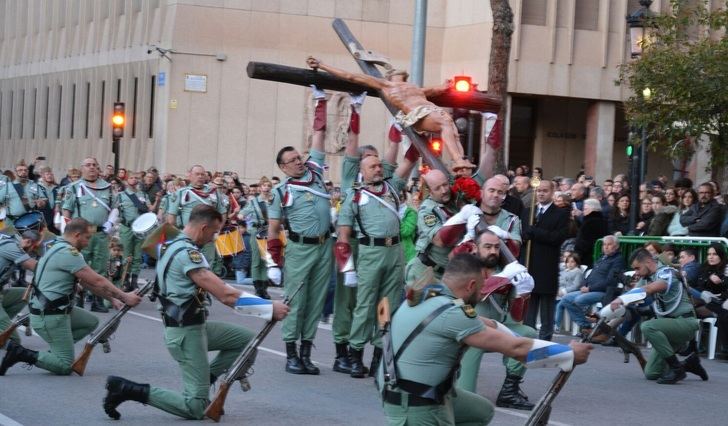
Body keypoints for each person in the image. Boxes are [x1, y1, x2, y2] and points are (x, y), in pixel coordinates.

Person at [101, 205, 289, 420]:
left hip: (194, 327)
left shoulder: (171, 246)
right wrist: (269, 308)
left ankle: (204, 380)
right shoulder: (187, 254)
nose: (213, 238)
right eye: (213, 232)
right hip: (185, 334)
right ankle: (126, 389)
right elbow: (226, 295)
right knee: (196, 408)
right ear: (203, 227)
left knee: (246, 341)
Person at [378, 254, 592, 425]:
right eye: (482, 288)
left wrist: (498, 327)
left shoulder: (431, 296)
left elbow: (487, 324)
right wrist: (569, 354)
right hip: (416, 403)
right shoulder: (452, 313)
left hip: (410, 390)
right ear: (471, 285)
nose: (483, 294)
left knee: (480, 412)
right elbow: (516, 348)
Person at [0, 218, 142, 376]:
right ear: (77, 235)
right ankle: (20, 354)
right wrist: (125, 296)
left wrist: (113, 299)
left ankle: (53, 355)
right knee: (65, 365)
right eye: (87, 238)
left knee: (90, 322)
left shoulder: (58, 247)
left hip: (54, 311)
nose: (88, 243)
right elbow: (97, 279)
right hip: (50, 314)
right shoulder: (68, 253)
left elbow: (88, 283)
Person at [306, 56, 474, 171]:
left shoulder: (416, 88)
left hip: (431, 110)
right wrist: (322, 65)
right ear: (390, 75)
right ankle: (457, 160)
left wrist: (446, 84)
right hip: (417, 114)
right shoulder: (385, 85)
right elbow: (351, 76)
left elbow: (439, 89)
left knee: (452, 126)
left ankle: (460, 161)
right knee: (445, 124)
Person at [336, 152, 415, 378]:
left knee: (387, 305)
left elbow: (409, 161)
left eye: (380, 166)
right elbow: (343, 236)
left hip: (395, 251)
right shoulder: (353, 196)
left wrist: (414, 137)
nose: (378, 169)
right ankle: (356, 356)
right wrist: (347, 268)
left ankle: (380, 356)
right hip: (370, 252)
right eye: (372, 167)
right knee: (365, 305)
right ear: (362, 171)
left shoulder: (391, 188)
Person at [267, 129, 333, 375]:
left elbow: (318, 142)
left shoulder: (315, 175)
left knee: (316, 301)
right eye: (292, 160)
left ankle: (306, 353)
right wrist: (273, 261)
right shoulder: (281, 191)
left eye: (299, 157)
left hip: (324, 246)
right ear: (283, 168)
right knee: (296, 301)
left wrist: (319, 104)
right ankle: (291, 354)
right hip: (300, 248)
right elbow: (273, 229)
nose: (299, 162)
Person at [457, 231, 538, 410]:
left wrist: (523, 294)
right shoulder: (465, 269)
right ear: (476, 248)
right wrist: (501, 279)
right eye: (487, 247)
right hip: (471, 333)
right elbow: (473, 294)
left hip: (498, 329)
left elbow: (517, 317)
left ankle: (509, 392)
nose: (493, 251)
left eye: (496, 247)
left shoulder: (506, 273)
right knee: (465, 398)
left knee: (529, 334)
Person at [608, 248, 707, 384]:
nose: (636, 272)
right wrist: (608, 312)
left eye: (638, 268)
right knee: (651, 373)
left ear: (648, 262)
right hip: (668, 327)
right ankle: (689, 364)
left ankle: (677, 369)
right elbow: (636, 293)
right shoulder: (647, 277)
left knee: (647, 326)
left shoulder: (667, 272)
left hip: (685, 323)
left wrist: (620, 300)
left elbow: (649, 289)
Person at [62, 157, 118, 313]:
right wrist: (68, 233)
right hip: (80, 234)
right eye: (88, 165)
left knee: (100, 267)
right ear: (82, 168)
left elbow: (115, 207)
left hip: (101, 233)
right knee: (80, 267)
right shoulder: (73, 188)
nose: (92, 168)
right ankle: (78, 299)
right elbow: (66, 210)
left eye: (94, 165)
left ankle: (97, 300)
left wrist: (111, 223)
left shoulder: (108, 187)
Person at [523, 180, 570, 341]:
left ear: (552, 192)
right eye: (539, 191)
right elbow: (523, 235)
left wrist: (535, 232)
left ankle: (545, 339)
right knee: (530, 306)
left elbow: (557, 237)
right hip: (530, 264)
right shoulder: (529, 212)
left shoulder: (561, 213)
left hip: (547, 265)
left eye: (545, 191)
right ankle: (528, 337)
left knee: (546, 308)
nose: (541, 193)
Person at [167, 165, 228, 275]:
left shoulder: (214, 193)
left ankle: (204, 291)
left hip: (208, 237)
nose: (200, 177)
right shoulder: (181, 193)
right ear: (189, 176)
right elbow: (171, 217)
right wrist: (176, 235)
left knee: (208, 266)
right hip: (188, 238)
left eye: (202, 174)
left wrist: (217, 231)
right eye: (197, 174)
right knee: (189, 265)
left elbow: (222, 213)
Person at [561, 235, 625, 337]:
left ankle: (596, 327)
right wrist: (584, 285)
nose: (606, 247)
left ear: (616, 246)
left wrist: (590, 288)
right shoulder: (602, 258)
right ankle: (586, 327)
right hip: (589, 289)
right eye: (604, 244)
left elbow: (610, 281)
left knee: (579, 300)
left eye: (609, 244)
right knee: (566, 299)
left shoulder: (617, 260)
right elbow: (590, 274)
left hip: (603, 291)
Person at [116, 171, 157, 290]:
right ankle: (125, 279)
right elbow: (115, 210)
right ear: (126, 180)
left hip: (140, 229)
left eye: (136, 178)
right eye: (132, 177)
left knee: (138, 255)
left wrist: (158, 200)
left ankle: (134, 279)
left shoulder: (143, 195)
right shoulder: (121, 195)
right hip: (127, 227)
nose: (134, 180)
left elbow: (150, 209)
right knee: (126, 254)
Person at [0, 229, 42, 345]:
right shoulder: (13, 247)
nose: (34, 251)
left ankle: (3, 323)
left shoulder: (12, 242)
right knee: (12, 341)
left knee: (25, 294)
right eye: (35, 247)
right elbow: (36, 267)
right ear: (28, 242)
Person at [239, 176, 275, 299]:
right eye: (264, 186)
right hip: (256, 231)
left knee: (266, 259)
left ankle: (264, 288)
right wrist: (240, 215)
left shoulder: (273, 201)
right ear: (260, 188)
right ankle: (257, 287)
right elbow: (244, 212)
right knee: (256, 260)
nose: (266, 188)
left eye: (268, 186)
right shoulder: (254, 201)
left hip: (269, 231)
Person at [690, 243, 727, 358]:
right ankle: (692, 345)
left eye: (714, 254)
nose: (711, 257)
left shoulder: (726, 268)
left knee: (690, 307)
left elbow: (724, 289)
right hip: (704, 299)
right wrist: (709, 278)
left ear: (721, 255)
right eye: (709, 254)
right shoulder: (705, 267)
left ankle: (695, 345)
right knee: (688, 309)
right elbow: (699, 285)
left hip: (717, 302)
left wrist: (720, 281)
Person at [573, 198, 608, 269]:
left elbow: (584, 242)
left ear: (592, 209)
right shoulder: (603, 221)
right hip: (597, 255)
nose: (583, 211)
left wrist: (578, 254)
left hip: (587, 257)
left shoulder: (589, 223)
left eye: (585, 209)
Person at [555, 253, 585, 332]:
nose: (570, 264)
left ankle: (556, 325)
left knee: (559, 305)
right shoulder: (565, 271)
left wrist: (564, 291)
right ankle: (551, 322)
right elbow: (560, 281)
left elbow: (576, 286)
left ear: (577, 263)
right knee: (552, 303)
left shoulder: (578, 272)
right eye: (568, 262)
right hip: (560, 293)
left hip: (571, 294)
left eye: (572, 262)